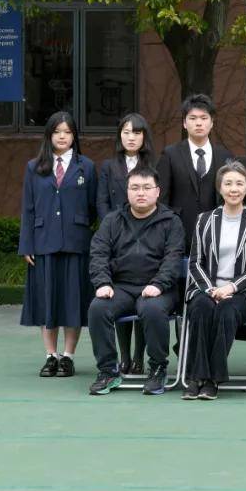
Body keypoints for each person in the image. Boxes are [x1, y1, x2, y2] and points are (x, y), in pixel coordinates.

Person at [87, 166, 185, 395]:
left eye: (147, 187)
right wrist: (103, 283)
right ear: (127, 191)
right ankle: (108, 371)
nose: (141, 193)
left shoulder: (171, 221)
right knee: (98, 308)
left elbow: (173, 258)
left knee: (152, 309)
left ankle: (157, 369)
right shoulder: (112, 220)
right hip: (120, 287)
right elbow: (99, 253)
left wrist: (158, 284)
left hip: (159, 289)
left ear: (157, 191)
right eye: (135, 188)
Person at [19, 111, 98, 379]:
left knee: (73, 300)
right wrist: (26, 244)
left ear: (74, 136)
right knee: (47, 300)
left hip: (76, 242)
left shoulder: (87, 166)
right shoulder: (34, 167)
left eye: (67, 132)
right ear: (49, 135)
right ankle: (50, 356)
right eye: (57, 132)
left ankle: (68, 357)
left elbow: (92, 206)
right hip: (43, 242)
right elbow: (28, 209)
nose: (62, 136)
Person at [182, 162, 246, 400]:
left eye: (239, 184)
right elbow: (195, 262)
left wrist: (231, 287)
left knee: (226, 311)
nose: (233, 189)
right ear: (220, 188)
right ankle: (196, 377)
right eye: (228, 183)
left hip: (243, 293)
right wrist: (211, 289)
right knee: (200, 308)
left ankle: (212, 380)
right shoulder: (204, 220)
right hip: (207, 288)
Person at [97, 112, 158, 376]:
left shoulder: (153, 164)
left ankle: (139, 357)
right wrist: (110, 227)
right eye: (126, 132)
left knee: (145, 299)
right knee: (115, 294)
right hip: (117, 237)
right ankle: (123, 357)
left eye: (136, 132)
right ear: (119, 136)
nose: (131, 137)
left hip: (146, 235)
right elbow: (101, 201)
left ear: (144, 136)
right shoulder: (109, 166)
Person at [157, 94, 234, 259]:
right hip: (179, 235)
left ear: (212, 122)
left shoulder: (225, 156)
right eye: (192, 118)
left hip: (217, 236)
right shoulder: (170, 154)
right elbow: (161, 199)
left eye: (204, 118)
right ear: (184, 123)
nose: (198, 123)